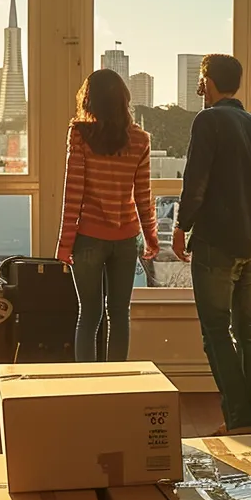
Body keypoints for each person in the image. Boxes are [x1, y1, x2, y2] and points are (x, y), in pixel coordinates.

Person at [172, 54, 251, 436]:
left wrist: (181, 225)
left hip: (216, 241)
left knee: (215, 331)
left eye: (202, 81)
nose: (200, 89)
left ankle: (239, 421)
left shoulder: (209, 120)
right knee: (246, 331)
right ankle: (242, 421)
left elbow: (195, 179)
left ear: (208, 82)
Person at [57, 69, 160, 362]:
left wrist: (64, 245)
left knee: (88, 315)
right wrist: (151, 238)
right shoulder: (140, 139)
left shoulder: (79, 134)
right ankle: (117, 383)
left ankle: (86, 386)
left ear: (89, 100)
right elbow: (143, 195)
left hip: (87, 238)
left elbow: (73, 193)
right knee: (119, 314)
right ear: (123, 100)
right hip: (126, 239)